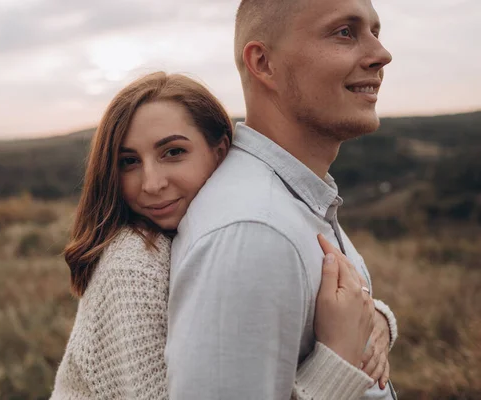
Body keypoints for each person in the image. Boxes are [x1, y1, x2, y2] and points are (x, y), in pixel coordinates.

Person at [50, 72, 393, 400]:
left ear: (219, 150)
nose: (151, 183)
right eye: (129, 161)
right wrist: (338, 360)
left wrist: (374, 318)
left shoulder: (229, 216)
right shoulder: (134, 261)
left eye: (173, 153)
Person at [165, 0, 399, 399]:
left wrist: (374, 320)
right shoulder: (254, 232)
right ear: (263, 63)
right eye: (345, 32)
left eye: (375, 32)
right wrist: (337, 366)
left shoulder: (295, 198)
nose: (381, 55)